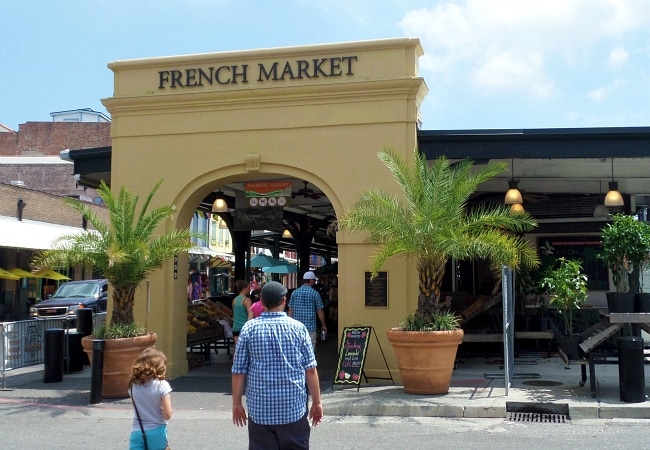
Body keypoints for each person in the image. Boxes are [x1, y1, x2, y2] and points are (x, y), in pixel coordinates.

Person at [232, 281, 323, 450]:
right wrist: (317, 402)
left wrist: (236, 404)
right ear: (284, 301)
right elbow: (310, 369)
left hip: (260, 412)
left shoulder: (249, 329)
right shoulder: (299, 329)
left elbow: (238, 372)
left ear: (262, 302)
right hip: (293, 409)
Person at [128, 347, 172, 450]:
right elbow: (167, 415)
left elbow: (137, 409)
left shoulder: (132, 385)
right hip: (157, 431)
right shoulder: (162, 385)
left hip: (137, 430)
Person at [288, 271, 327, 350]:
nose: (315, 282)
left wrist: (289, 324)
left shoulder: (294, 293)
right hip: (310, 326)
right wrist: (323, 324)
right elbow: (320, 311)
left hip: (296, 326)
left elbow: (290, 310)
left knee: (297, 347)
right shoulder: (315, 293)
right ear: (310, 280)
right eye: (314, 280)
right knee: (310, 347)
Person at [232, 279, 253, 345]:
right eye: (248, 288)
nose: (249, 289)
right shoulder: (247, 300)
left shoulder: (234, 300)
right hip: (244, 327)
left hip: (235, 327)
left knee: (238, 349)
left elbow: (234, 314)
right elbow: (250, 314)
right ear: (244, 288)